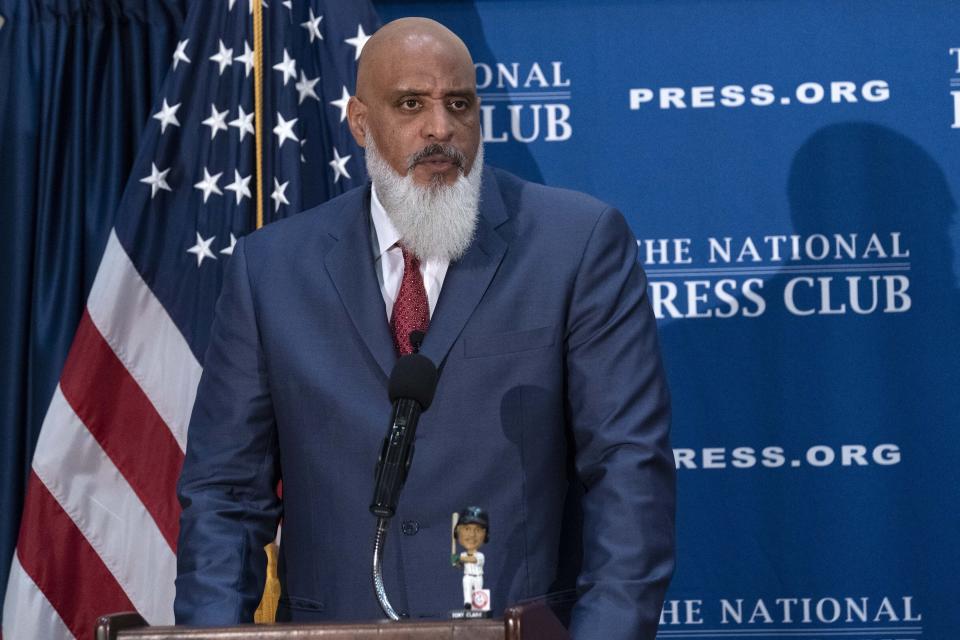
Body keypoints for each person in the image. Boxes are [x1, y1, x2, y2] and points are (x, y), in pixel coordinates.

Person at [174, 17, 675, 640]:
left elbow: (627, 470)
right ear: (360, 122)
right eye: (411, 104)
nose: (440, 129)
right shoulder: (270, 270)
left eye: (458, 104)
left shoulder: (575, 245)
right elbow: (226, 495)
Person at [452, 506, 490, 610]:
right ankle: (467, 603)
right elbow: (459, 565)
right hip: (468, 576)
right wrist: (455, 562)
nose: (472, 534)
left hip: (478, 577)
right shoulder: (463, 555)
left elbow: (472, 560)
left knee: (478, 594)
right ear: (457, 532)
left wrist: (458, 559)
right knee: (466, 586)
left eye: (478, 530)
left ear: (485, 535)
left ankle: (477, 608)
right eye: (467, 529)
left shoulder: (479, 555)